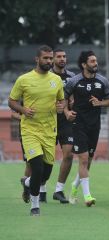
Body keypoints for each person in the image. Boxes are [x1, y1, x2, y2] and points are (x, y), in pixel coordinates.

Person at [8, 45, 65, 216]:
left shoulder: (56, 80)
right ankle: (35, 205)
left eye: (50, 58)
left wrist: (61, 108)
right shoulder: (24, 79)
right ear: (37, 59)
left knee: (45, 174)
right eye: (46, 58)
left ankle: (27, 183)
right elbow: (12, 101)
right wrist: (23, 110)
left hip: (49, 131)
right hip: (30, 131)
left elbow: (61, 102)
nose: (49, 61)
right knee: (37, 168)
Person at [64, 50, 109, 207]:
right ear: (84, 64)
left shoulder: (103, 81)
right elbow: (63, 98)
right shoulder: (74, 81)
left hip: (94, 125)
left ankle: (74, 187)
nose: (95, 63)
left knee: (88, 161)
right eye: (92, 61)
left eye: (96, 61)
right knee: (83, 159)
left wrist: (100, 103)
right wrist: (66, 111)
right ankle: (87, 196)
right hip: (79, 124)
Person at [51, 49, 76, 204]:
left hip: (66, 121)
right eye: (58, 56)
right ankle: (40, 189)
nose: (62, 59)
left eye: (64, 56)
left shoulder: (72, 77)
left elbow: (74, 95)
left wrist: (73, 102)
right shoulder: (47, 77)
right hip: (48, 120)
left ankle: (59, 190)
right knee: (45, 158)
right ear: (53, 59)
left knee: (69, 154)